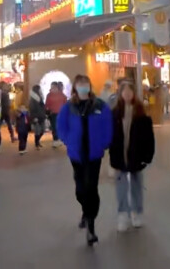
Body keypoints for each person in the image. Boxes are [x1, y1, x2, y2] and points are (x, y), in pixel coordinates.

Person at [57, 74, 113, 246]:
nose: (83, 87)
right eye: (80, 84)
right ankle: (85, 210)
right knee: (80, 189)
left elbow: (108, 126)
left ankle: (91, 225)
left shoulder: (100, 105)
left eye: (85, 83)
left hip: (94, 154)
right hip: (77, 154)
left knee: (91, 187)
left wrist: (104, 143)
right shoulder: (69, 107)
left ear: (89, 85)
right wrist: (69, 142)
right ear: (75, 87)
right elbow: (61, 127)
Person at [108, 81, 155, 232]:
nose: (127, 94)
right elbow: (110, 136)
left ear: (134, 93)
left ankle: (137, 212)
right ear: (120, 94)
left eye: (130, 91)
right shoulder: (114, 114)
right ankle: (122, 214)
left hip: (136, 156)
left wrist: (147, 157)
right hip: (119, 157)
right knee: (121, 188)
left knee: (136, 186)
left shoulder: (142, 114)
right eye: (125, 91)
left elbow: (149, 138)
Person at [45, 82, 66, 148]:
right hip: (53, 113)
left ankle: (57, 139)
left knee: (58, 127)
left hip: (60, 113)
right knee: (54, 127)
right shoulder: (49, 95)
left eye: (54, 87)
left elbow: (65, 103)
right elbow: (47, 104)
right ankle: (55, 140)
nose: (53, 88)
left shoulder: (61, 94)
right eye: (52, 87)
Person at [27, 84, 47, 151]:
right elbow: (32, 109)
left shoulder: (40, 98)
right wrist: (34, 117)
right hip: (36, 117)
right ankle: (36, 144)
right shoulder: (33, 99)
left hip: (42, 116)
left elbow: (43, 107)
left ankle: (38, 142)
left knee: (43, 130)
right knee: (37, 131)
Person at [12, 83, 30, 154]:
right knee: (23, 131)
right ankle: (22, 147)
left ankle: (22, 147)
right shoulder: (21, 94)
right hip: (22, 114)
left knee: (21, 131)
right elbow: (24, 105)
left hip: (19, 114)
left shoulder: (19, 94)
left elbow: (16, 106)